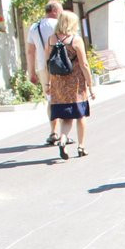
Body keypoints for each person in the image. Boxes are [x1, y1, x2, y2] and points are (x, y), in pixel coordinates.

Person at [43, 10, 94, 160]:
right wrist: (90, 84)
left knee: (66, 118)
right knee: (80, 115)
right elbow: (84, 64)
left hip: (58, 83)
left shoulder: (51, 40)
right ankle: (81, 146)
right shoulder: (75, 40)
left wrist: (48, 83)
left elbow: (48, 63)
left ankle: (63, 138)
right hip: (75, 83)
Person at [26, 0, 62, 145]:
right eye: (60, 10)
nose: (61, 13)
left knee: (51, 99)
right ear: (54, 11)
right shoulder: (59, 25)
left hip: (43, 67)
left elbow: (30, 51)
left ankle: (53, 132)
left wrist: (31, 72)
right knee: (64, 97)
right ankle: (64, 133)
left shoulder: (34, 27)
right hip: (61, 65)